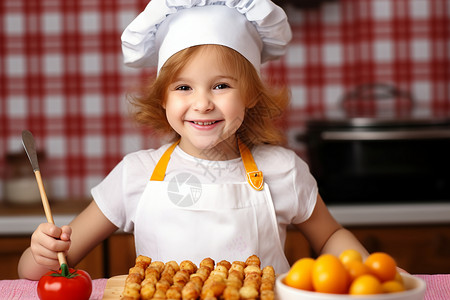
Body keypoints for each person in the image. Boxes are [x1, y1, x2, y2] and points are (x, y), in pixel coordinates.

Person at [18, 0, 368, 280]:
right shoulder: (136, 174)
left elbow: (329, 237)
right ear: (163, 99)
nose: (202, 103)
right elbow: (41, 270)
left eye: (221, 85)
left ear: (250, 94)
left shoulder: (282, 169)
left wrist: (368, 270)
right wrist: (43, 252)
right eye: (183, 87)